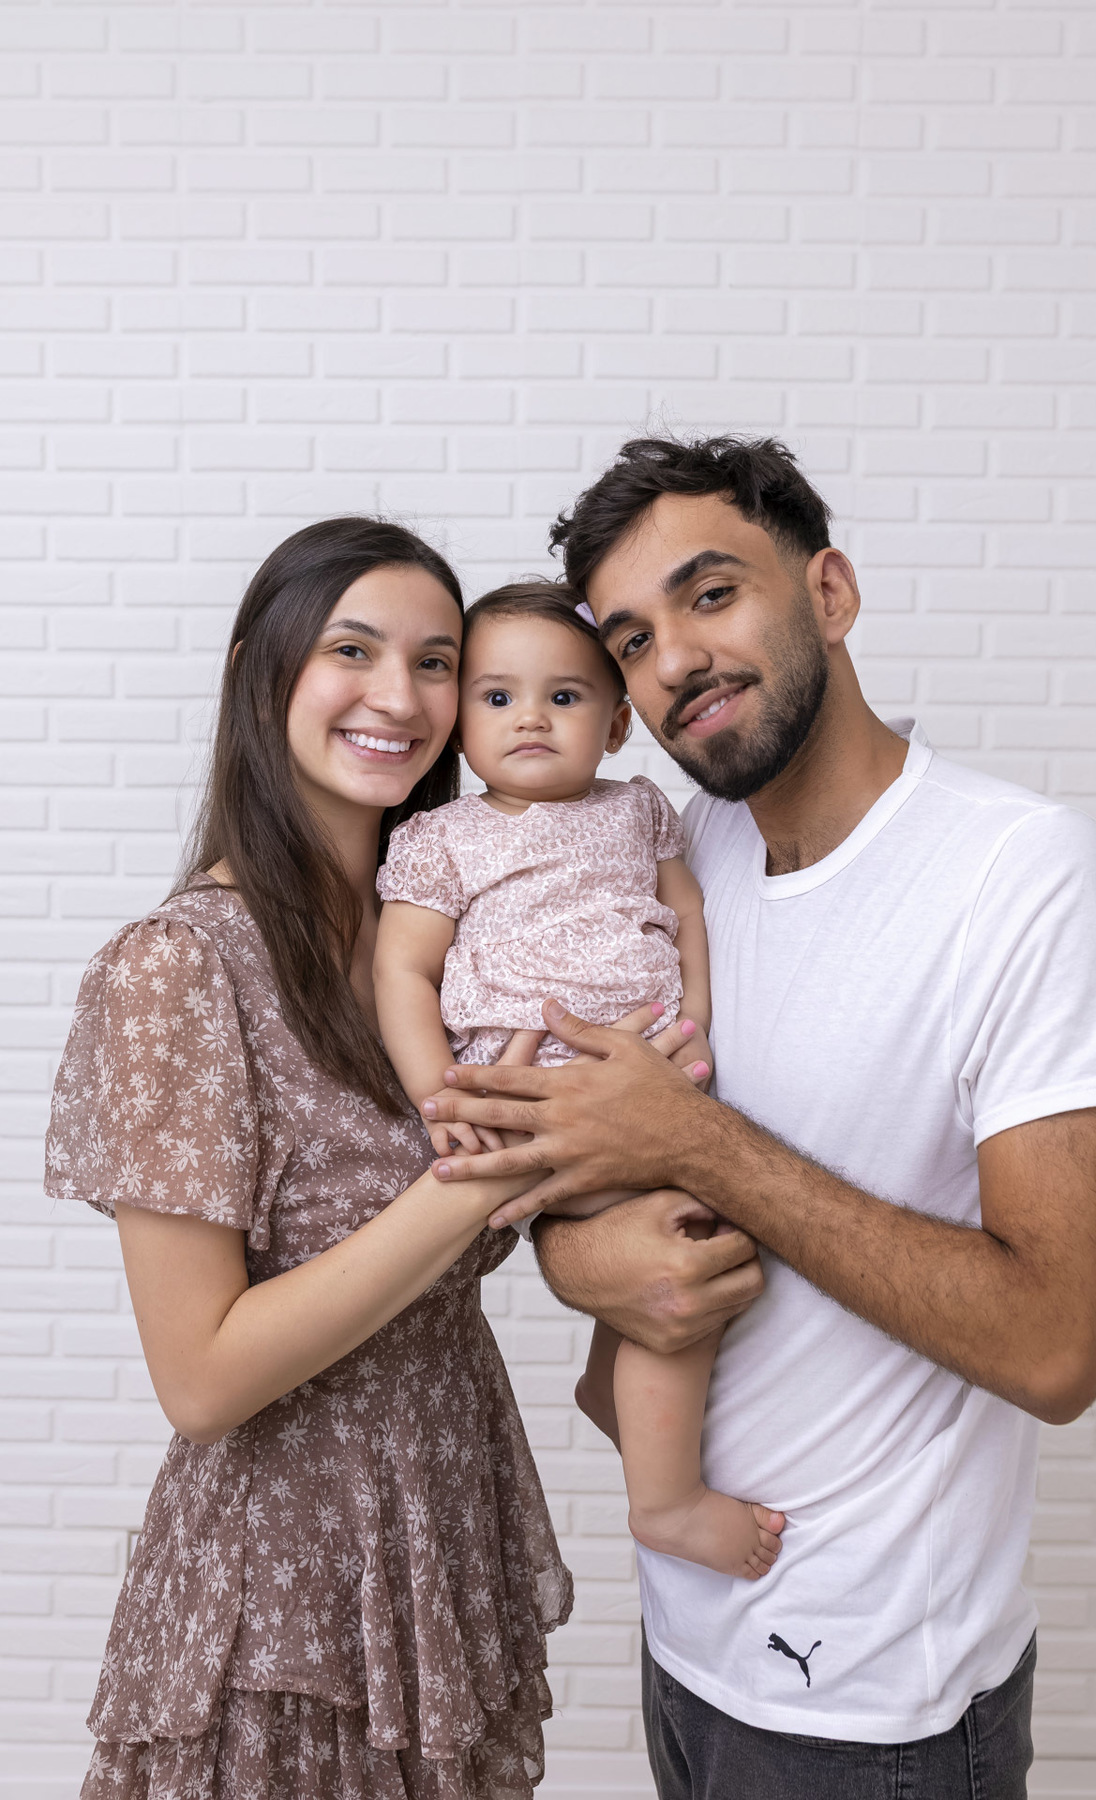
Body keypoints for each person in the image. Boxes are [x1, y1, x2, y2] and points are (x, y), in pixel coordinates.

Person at [419, 437, 1096, 1800]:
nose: (676, 660)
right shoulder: (664, 853)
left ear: (829, 591)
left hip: (878, 1696)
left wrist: (693, 1147)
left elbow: (1059, 1347)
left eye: (713, 596)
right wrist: (580, 1249)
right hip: (688, 1637)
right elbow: (589, 1167)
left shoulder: (1020, 873)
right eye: (634, 638)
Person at [44, 519, 574, 1800]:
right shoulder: (180, 970)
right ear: (258, 672)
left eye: (438, 661)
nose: (400, 696)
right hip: (284, 1589)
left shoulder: (449, 944)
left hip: (443, 1526)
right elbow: (203, 1377)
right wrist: (480, 1181)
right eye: (353, 650)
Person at [373, 581, 783, 1582]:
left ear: (613, 726)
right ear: (460, 720)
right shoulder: (444, 839)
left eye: (565, 697)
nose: (529, 719)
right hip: (533, 1097)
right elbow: (403, 971)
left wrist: (694, 1031)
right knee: (686, 1241)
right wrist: (447, 1100)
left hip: (646, 1073)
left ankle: (615, 1381)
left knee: (674, 1250)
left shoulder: (640, 810)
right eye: (498, 696)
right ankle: (669, 1500)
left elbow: (685, 916)